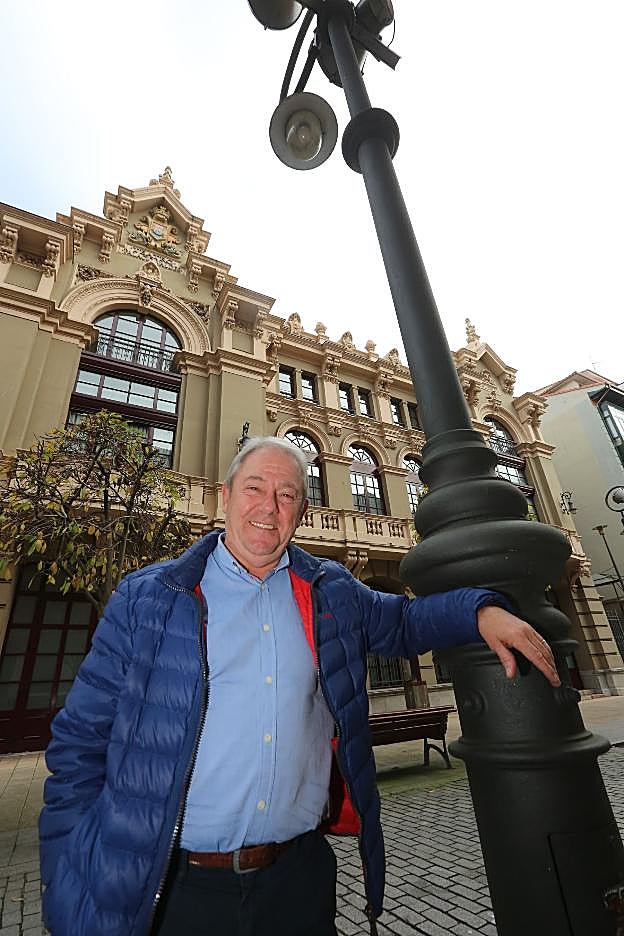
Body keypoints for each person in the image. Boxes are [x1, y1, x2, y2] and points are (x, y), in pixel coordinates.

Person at [39, 436, 560, 936]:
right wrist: (71, 871)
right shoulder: (150, 597)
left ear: (300, 512)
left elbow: (403, 623)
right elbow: (81, 742)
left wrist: (481, 610)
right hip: (176, 888)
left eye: (287, 494)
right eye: (254, 488)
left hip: (297, 878)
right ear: (226, 497)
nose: (269, 506)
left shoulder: (329, 590)